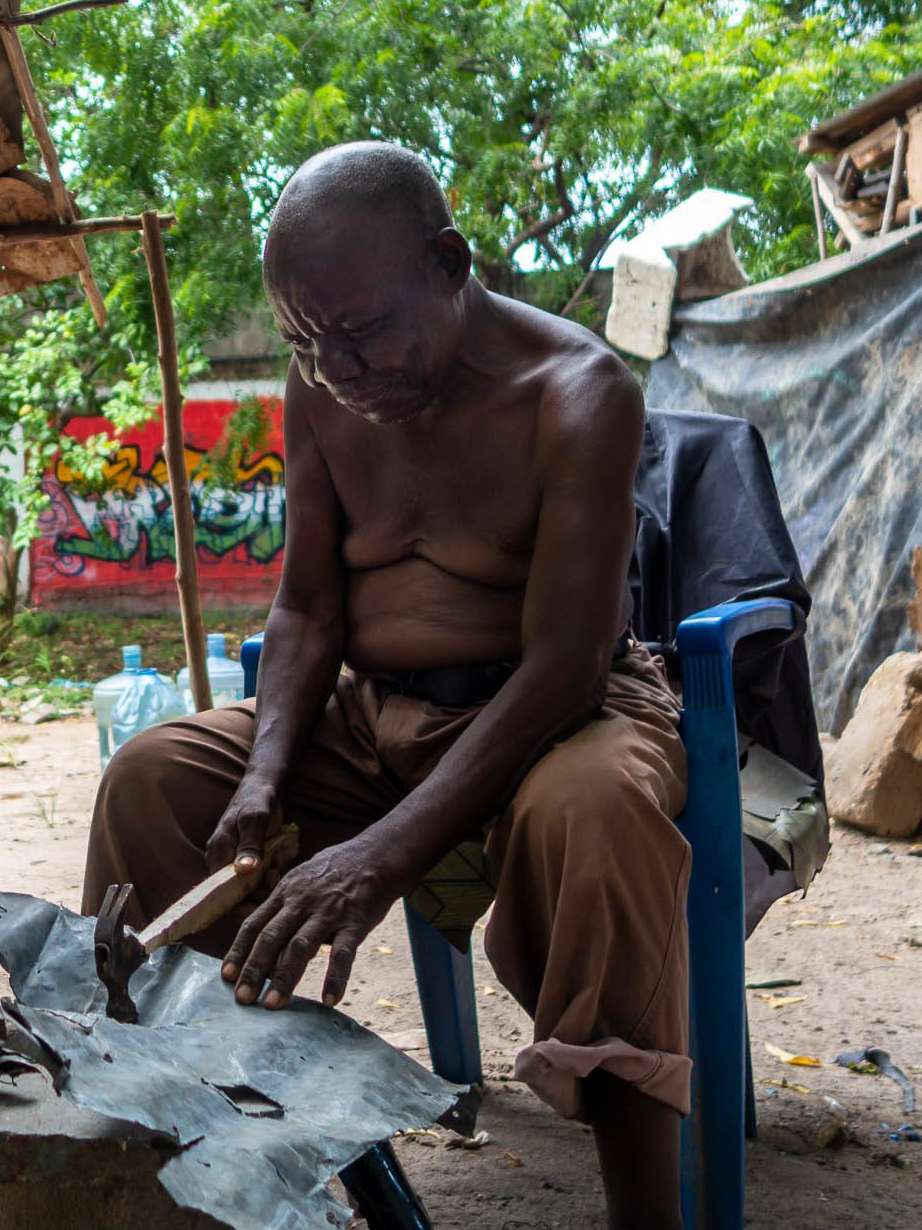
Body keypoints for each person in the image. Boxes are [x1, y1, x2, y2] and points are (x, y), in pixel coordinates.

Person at [82, 141, 690, 1227]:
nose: (341, 372)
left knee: (598, 815)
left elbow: (563, 667)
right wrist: (264, 779)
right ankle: (167, 1150)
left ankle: (645, 1207)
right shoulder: (321, 394)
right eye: (308, 343)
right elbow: (307, 609)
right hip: (373, 713)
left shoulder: (577, 391)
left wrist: (377, 854)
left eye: (363, 330)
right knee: (155, 774)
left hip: (560, 714)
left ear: (449, 263)